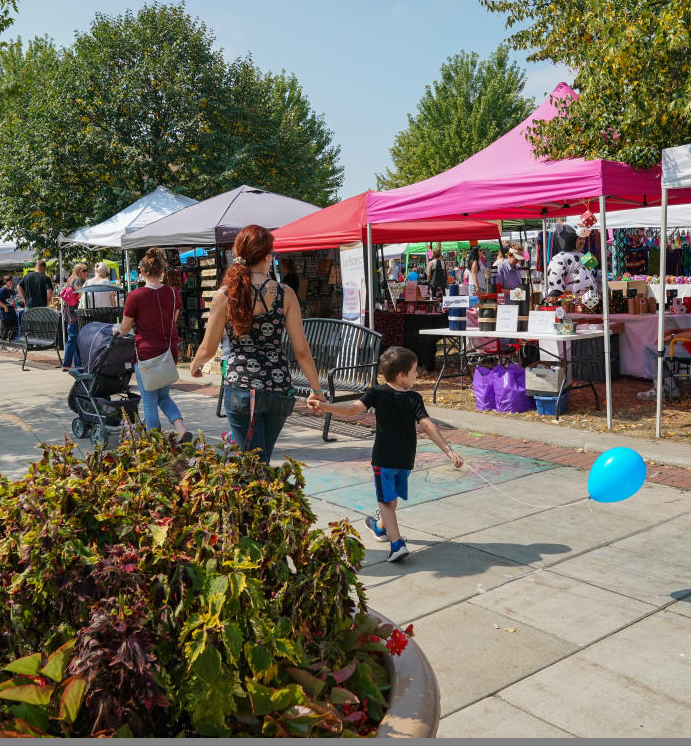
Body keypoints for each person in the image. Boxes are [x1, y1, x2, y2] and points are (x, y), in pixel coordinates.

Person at [310, 346, 462, 563]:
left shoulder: (377, 392)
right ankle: (381, 528)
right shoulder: (414, 398)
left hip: (384, 458)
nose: (417, 375)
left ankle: (397, 543)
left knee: (384, 500)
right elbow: (428, 426)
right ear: (402, 375)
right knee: (391, 498)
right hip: (405, 460)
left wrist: (326, 406)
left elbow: (353, 409)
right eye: (414, 371)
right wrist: (448, 450)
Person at [190, 224, 325, 462]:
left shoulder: (225, 295)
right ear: (267, 256)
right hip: (279, 389)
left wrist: (196, 364)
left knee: (254, 465)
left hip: (241, 388)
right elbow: (302, 351)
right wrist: (317, 391)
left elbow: (208, 348)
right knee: (261, 459)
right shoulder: (286, 294)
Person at [118, 248, 191, 440]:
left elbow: (125, 327)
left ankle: (154, 442)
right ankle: (182, 429)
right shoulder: (174, 293)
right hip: (168, 351)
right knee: (163, 396)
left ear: (141, 272)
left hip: (146, 353)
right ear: (162, 271)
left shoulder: (135, 296)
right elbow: (172, 322)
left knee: (150, 399)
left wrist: (116, 331)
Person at [544, 224, 597, 297]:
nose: (583, 241)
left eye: (583, 239)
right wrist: (558, 293)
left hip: (589, 298)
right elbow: (555, 278)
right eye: (580, 239)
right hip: (570, 299)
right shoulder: (560, 257)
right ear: (570, 239)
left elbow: (593, 276)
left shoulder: (586, 256)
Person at [60, 263, 87, 371]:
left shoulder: (71, 280)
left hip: (69, 312)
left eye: (86, 270)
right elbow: (80, 295)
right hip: (74, 312)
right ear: (79, 271)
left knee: (74, 338)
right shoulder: (78, 281)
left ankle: (78, 363)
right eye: (84, 270)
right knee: (72, 337)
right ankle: (66, 364)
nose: (86, 272)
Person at [0, 275, 19, 340]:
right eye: (10, 281)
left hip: (12, 311)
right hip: (5, 312)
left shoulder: (11, 290)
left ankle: (11, 341)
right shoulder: (2, 290)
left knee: (15, 327)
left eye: (12, 280)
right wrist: (4, 306)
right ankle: (2, 345)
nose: (12, 282)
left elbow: (12, 299)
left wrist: (15, 300)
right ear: (6, 282)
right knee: (6, 329)